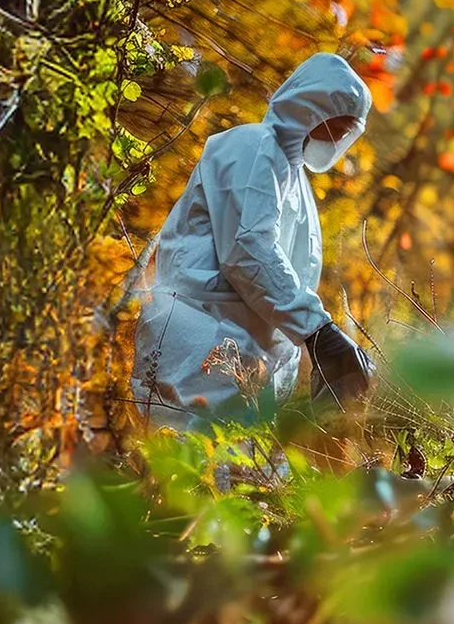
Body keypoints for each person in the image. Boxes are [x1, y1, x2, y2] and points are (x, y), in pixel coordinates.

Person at [133, 53, 374, 428]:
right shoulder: (252, 147)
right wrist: (317, 332)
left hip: (242, 365)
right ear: (309, 105)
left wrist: (311, 340)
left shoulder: (293, 178)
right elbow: (249, 249)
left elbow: (287, 274)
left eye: (349, 127)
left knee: (234, 479)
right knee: (184, 474)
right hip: (202, 346)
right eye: (337, 119)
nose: (341, 134)